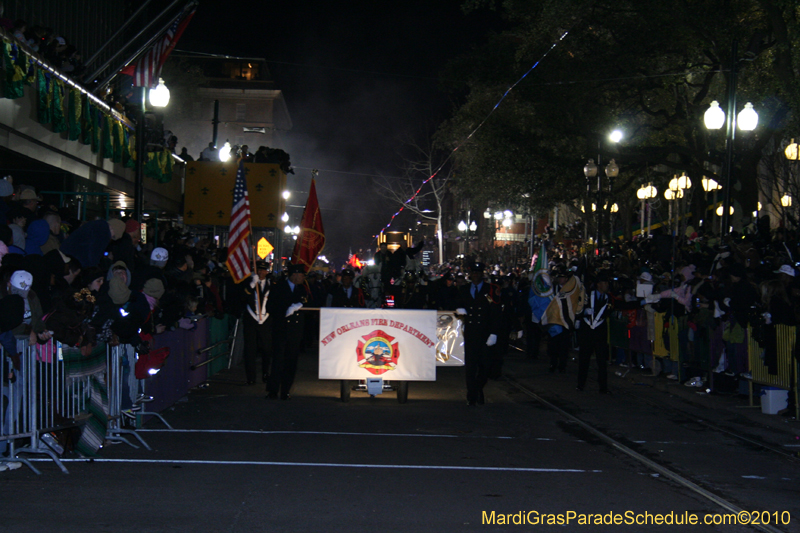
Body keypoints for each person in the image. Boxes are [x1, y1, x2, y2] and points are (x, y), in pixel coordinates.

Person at [455, 262, 501, 405]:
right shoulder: (463, 289)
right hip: (470, 332)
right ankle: (472, 396)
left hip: (485, 333)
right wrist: (458, 309)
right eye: (473, 272)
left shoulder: (491, 289)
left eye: (478, 272)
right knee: (470, 366)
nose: (475, 275)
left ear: (482, 274)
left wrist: (494, 333)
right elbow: (455, 303)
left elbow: (496, 312)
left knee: (485, 366)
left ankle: (477, 388)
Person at [266, 264, 309, 400]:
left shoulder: (302, 289)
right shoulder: (278, 287)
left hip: (295, 331)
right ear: (294, 275)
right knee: (278, 361)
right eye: (301, 275)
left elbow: (310, 303)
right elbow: (270, 307)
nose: (303, 277)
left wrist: (300, 305)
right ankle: (273, 390)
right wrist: (285, 310)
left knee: (291, 362)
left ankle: (286, 390)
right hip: (281, 329)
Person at [544, 264, 584, 373]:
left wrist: (576, 318)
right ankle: (553, 363)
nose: (560, 279)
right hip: (555, 320)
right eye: (559, 277)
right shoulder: (554, 289)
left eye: (562, 277)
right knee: (553, 344)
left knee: (564, 345)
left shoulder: (571, 290)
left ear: (566, 279)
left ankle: (562, 365)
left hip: (566, 321)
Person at [577, 270, 612, 393]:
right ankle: (580, 384)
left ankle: (603, 387)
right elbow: (576, 309)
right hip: (587, 332)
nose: (607, 285)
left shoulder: (608, 298)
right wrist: (584, 312)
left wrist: (642, 302)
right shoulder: (587, 295)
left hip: (600, 333)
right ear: (598, 284)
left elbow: (620, 305)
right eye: (604, 282)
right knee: (584, 359)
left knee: (602, 361)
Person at [242, 260, 272, 385]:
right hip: (251, 319)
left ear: (267, 271)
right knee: (250, 350)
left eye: (263, 270)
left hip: (266, 320)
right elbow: (243, 295)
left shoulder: (272, 284)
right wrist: (252, 284)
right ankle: (251, 377)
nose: (261, 272)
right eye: (259, 270)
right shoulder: (249, 283)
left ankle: (266, 373)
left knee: (267, 349)